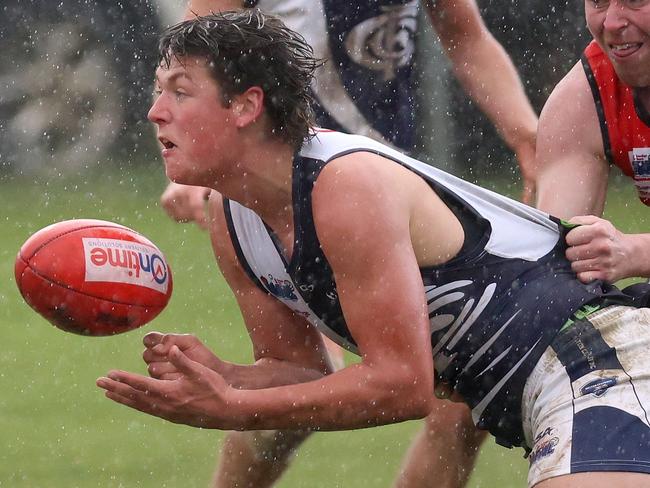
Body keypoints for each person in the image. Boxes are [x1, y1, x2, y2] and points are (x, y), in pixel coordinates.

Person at [97, 12, 650, 488]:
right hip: (544, 390)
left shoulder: (345, 185)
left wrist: (232, 409)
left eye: (180, 92)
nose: (155, 112)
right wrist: (226, 378)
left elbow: (402, 387)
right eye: (157, 90)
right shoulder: (231, 212)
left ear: (246, 106)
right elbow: (299, 370)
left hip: (600, 356)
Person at [159, 1, 540, 486]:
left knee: (463, 404)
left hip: (371, 185)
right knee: (286, 404)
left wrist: (526, 134)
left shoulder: (359, 182)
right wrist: (199, 164)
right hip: (274, 184)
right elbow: (192, 62)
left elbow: (466, 37)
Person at [535, 0, 650, 283]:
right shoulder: (582, 100)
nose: (611, 23)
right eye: (598, 1)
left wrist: (637, 253)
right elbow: (554, 264)